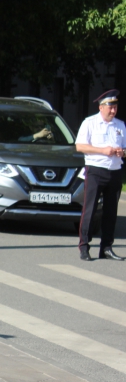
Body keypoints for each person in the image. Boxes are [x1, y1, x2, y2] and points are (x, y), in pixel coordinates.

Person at [76, 89, 126, 261]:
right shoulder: (89, 123)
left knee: (111, 212)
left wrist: (122, 152)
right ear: (101, 107)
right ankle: (84, 247)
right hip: (96, 170)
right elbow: (80, 146)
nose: (113, 111)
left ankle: (106, 247)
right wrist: (102, 151)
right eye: (110, 107)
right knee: (89, 210)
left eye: (115, 107)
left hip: (115, 171)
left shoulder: (120, 125)